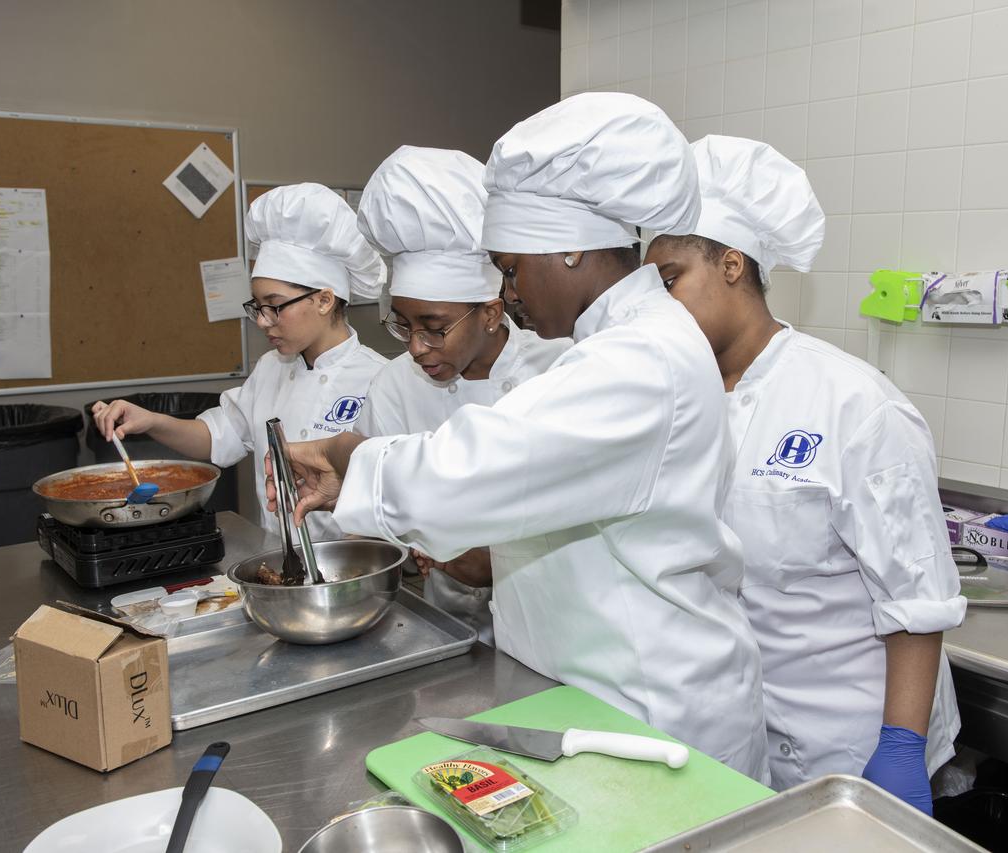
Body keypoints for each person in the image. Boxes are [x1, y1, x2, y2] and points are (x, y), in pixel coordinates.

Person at [268, 94, 768, 780]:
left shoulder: (642, 359)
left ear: (567, 249)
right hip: (593, 704)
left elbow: (481, 468)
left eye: (509, 266)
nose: (509, 290)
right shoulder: (619, 346)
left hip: (657, 717)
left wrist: (348, 460)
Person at [645, 135, 965, 813]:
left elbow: (917, 597)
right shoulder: (675, 399)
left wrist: (900, 746)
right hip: (743, 739)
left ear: (732, 264)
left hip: (857, 749)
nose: (656, 302)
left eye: (669, 277)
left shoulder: (855, 404)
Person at [355, 145, 571, 643]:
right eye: (402, 325)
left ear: (492, 314)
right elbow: (387, 505)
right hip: (443, 624)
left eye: (434, 328)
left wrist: (496, 560)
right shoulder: (393, 386)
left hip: (555, 628)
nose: (415, 347)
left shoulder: (558, 368)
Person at [93, 184, 386, 539]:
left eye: (274, 305)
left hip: (353, 571)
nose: (262, 321)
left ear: (324, 300)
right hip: (279, 563)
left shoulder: (379, 379)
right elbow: (217, 437)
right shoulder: (270, 369)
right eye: (257, 306)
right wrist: (151, 421)